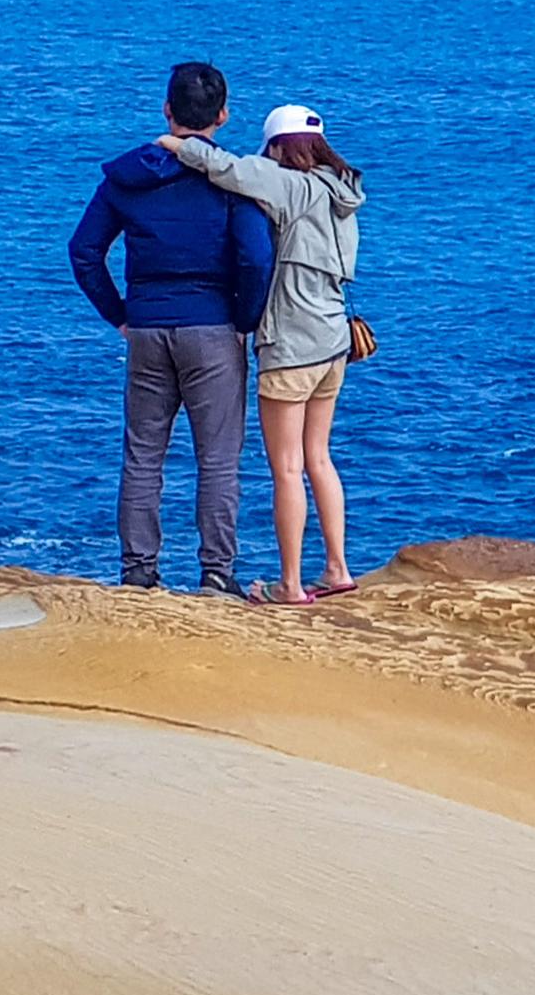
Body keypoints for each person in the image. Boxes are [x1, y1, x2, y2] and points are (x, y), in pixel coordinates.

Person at [68, 62, 274, 593]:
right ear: (223, 116)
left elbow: (85, 251)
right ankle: (216, 575)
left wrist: (119, 314)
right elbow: (254, 257)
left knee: (142, 456)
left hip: (147, 327)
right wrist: (245, 320)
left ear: (167, 110)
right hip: (213, 329)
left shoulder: (126, 178)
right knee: (219, 460)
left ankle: (138, 574)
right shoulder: (232, 179)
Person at [167, 104, 366, 603]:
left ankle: (292, 584)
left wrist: (174, 144)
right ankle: (338, 568)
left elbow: (230, 169)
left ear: (279, 146)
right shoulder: (341, 192)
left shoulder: (291, 186)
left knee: (285, 467)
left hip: (292, 346)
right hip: (333, 342)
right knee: (320, 457)